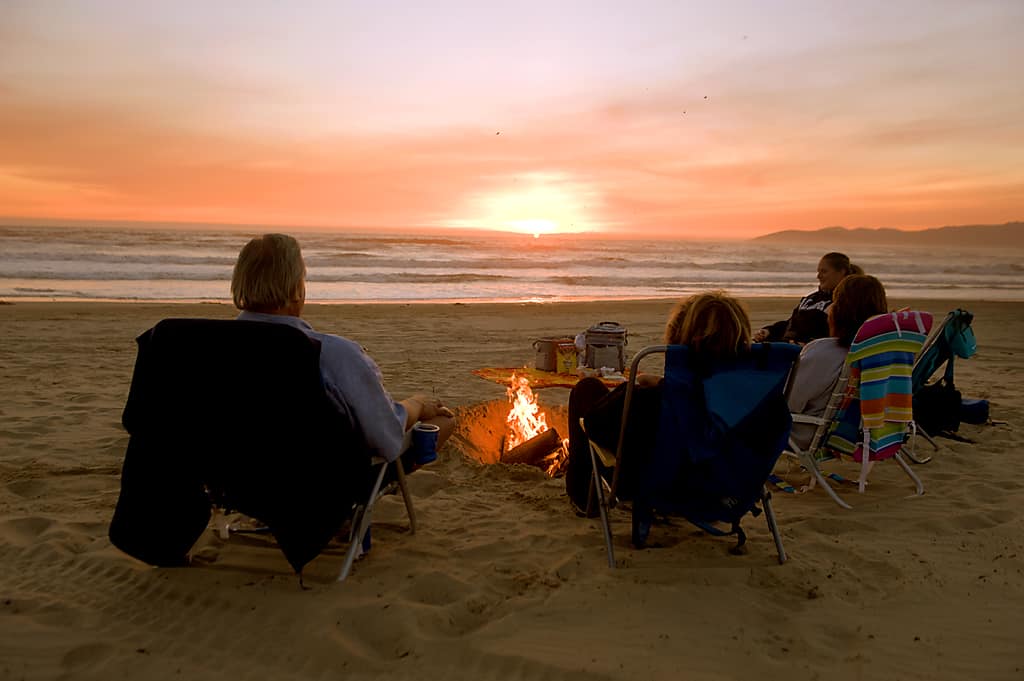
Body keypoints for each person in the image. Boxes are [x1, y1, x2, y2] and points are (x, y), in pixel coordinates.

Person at [230, 233, 455, 471]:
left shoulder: (211, 347)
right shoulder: (331, 353)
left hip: (238, 482)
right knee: (444, 422)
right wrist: (416, 404)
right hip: (326, 485)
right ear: (297, 287)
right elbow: (385, 436)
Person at [564, 291, 753, 514]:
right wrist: (664, 384)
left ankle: (583, 498)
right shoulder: (751, 401)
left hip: (654, 485)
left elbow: (594, 425)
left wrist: (631, 390)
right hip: (725, 489)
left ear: (678, 342)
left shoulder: (651, 401)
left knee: (587, 390)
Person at [786, 274, 889, 451]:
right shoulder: (878, 352)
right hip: (849, 433)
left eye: (834, 302)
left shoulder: (824, 351)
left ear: (841, 311)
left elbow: (790, 404)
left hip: (803, 433)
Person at [754, 252, 863, 344]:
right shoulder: (811, 298)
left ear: (841, 272)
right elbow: (791, 322)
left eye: (824, 272)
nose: (818, 276)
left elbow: (841, 334)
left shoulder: (846, 302)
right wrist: (769, 331)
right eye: (818, 271)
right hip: (788, 346)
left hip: (812, 351)